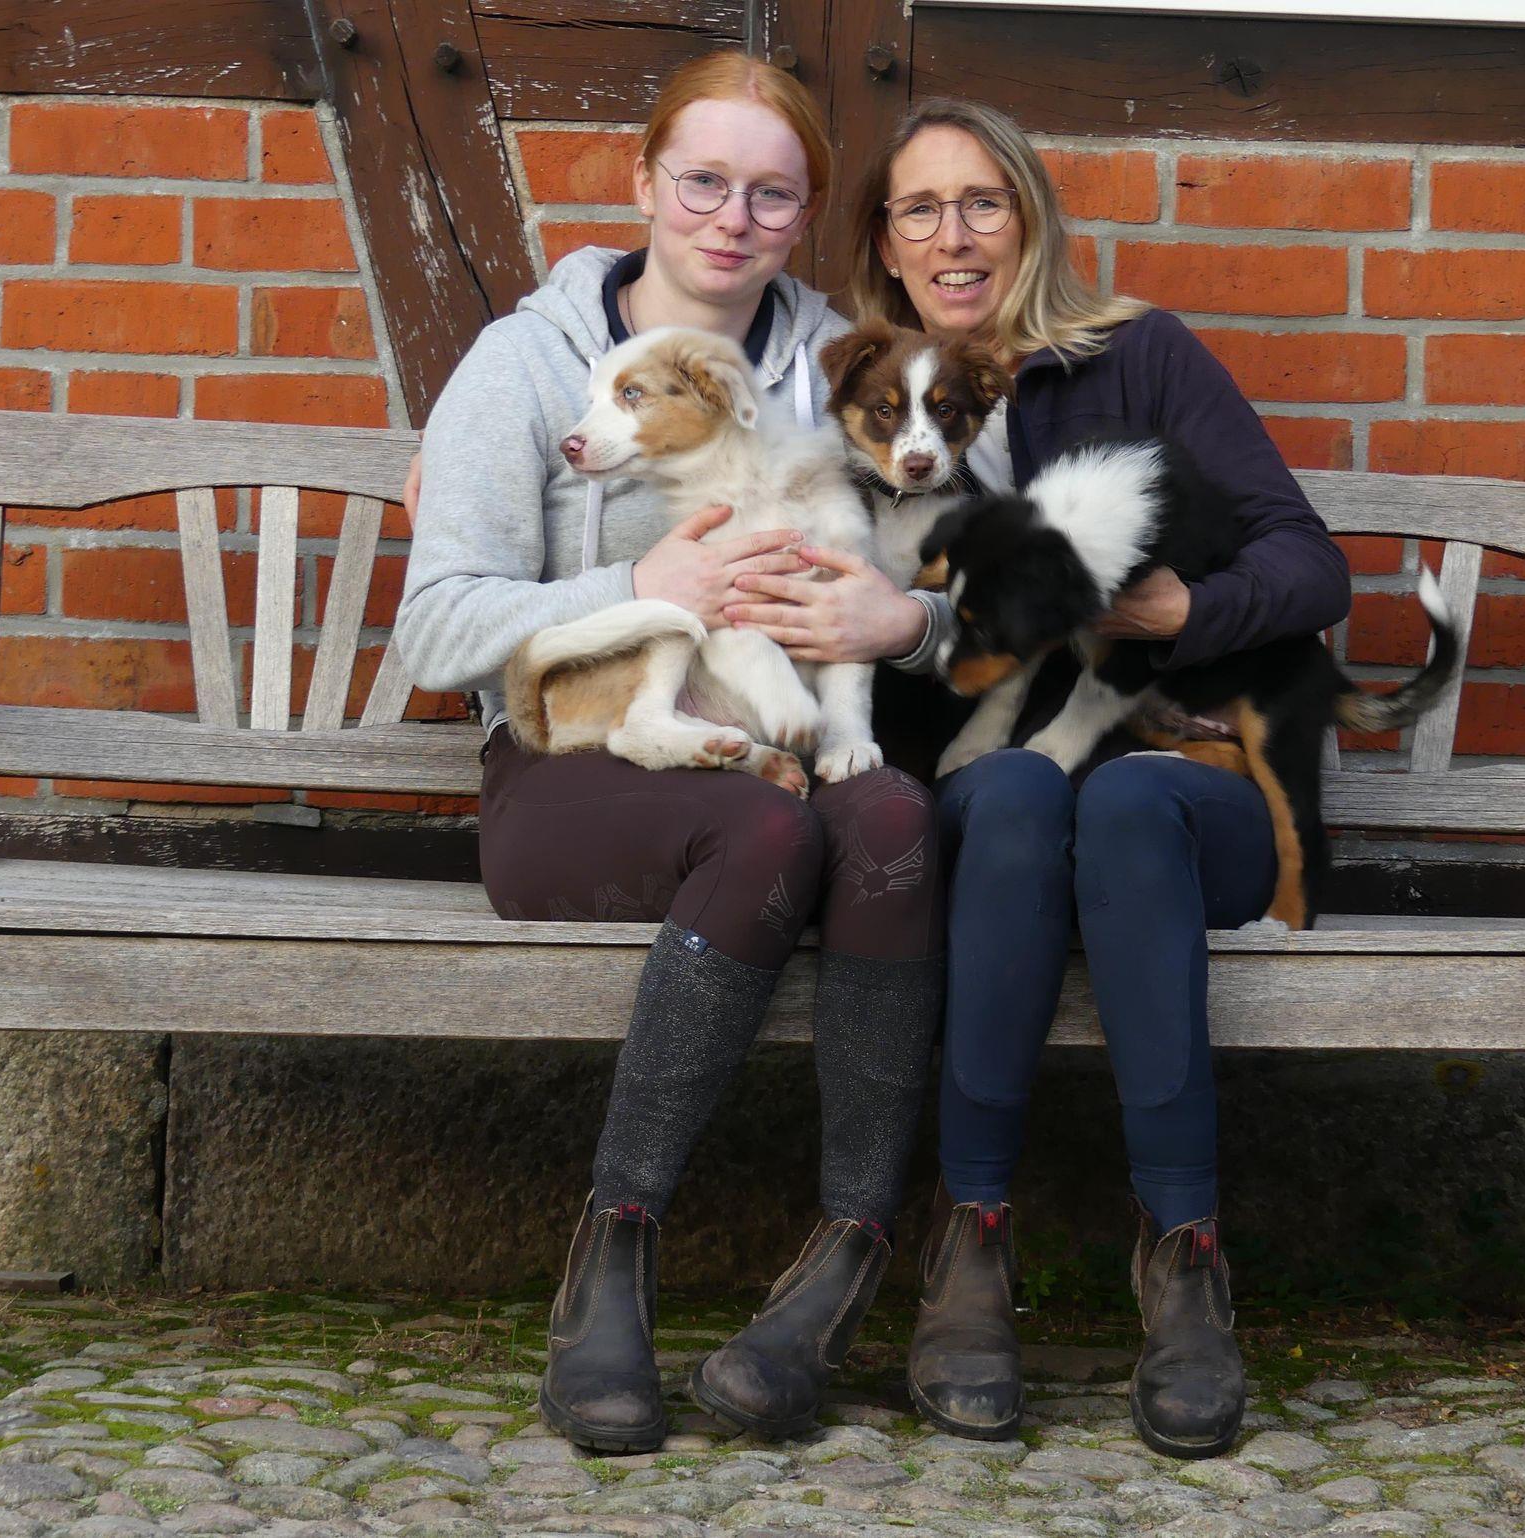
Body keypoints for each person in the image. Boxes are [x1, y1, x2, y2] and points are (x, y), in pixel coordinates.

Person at [726, 98, 1354, 1458]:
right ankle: (971, 1243)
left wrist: (1185, 610)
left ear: (1030, 218)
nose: (954, 236)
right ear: (885, 242)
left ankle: (1186, 1259)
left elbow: (1311, 564)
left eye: (983, 203)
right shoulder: (852, 409)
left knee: (1121, 801)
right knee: (1014, 792)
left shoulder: (1140, 357)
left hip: (1193, 774)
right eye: (920, 209)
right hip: (1002, 789)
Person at [392, 52, 948, 1454]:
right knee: (767, 830)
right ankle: (612, 1258)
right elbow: (437, 629)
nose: (732, 219)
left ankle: (839, 1273)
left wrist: (910, 620)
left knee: (891, 819)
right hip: (576, 764)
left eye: (773, 194)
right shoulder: (527, 365)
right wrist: (642, 585)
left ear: (807, 212)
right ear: (643, 180)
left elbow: (976, 550)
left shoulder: (846, 366)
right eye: (703, 180)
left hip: (778, 731)